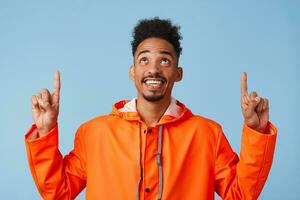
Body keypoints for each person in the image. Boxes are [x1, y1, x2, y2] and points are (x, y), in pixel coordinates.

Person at [25, 17, 277, 200]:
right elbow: (58, 192)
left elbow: (240, 195)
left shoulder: (207, 134)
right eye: (144, 59)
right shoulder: (94, 133)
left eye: (164, 60)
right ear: (133, 72)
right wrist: (45, 132)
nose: (153, 69)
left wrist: (257, 131)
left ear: (178, 73)